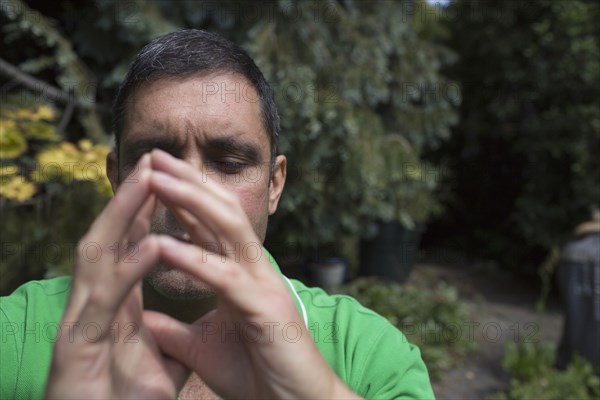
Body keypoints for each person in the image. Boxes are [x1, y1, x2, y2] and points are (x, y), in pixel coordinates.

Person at [0, 30, 434, 399]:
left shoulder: (371, 356)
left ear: (274, 185)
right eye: (155, 162)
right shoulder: (18, 333)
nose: (188, 195)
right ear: (116, 177)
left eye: (229, 163)